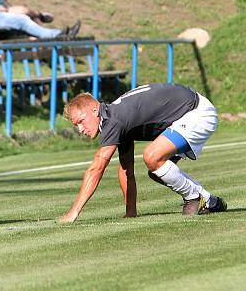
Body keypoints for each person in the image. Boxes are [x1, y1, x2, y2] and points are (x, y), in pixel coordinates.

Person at [60, 84, 228, 223]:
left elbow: (96, 168)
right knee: (158, 172)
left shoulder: (114, 120)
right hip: (189, 111)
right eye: (76, 125)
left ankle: (194, 197)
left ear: (94, 110)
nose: (80, 129)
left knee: (152, 157)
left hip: (196, 112)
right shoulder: (115, 118)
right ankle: (209, 200)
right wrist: (130, 213)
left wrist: (73, 213)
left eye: (81, 121)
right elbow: (127, 171)